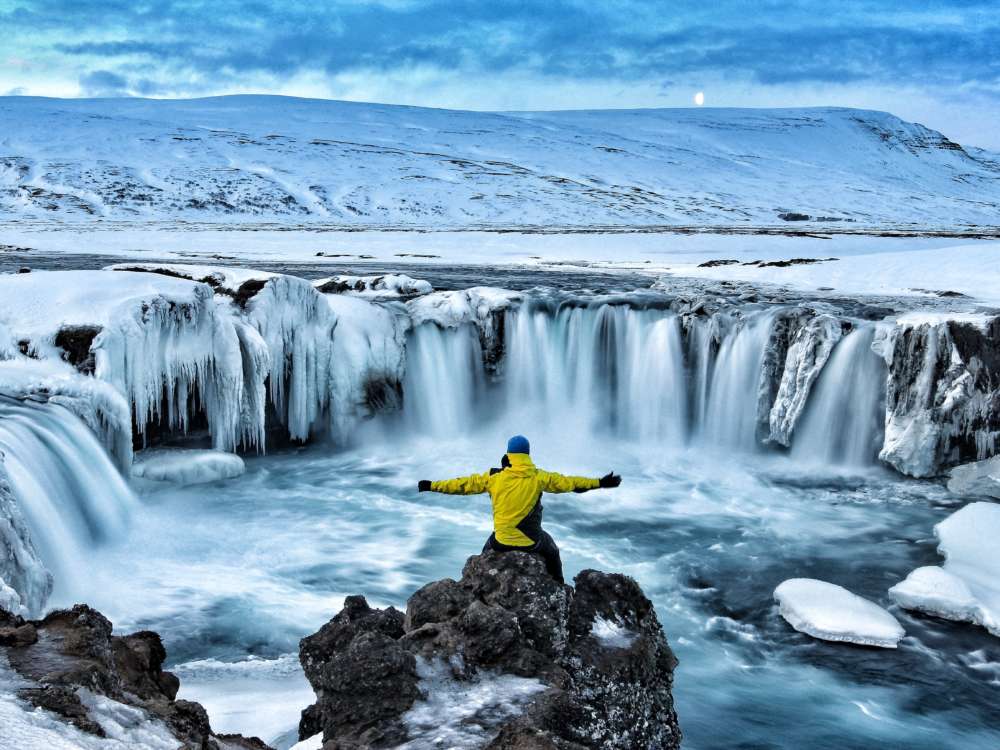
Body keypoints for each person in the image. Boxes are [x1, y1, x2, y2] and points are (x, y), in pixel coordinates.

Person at [417, 435, 621, 584]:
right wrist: (600, 482)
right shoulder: (539, 477)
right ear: (527, 454)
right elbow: (571, 484)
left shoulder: (493, 477)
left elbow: (461, 485)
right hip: (531, 542)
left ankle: (476, 578)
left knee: (487, 547)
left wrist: (431, 485)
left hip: (501, 542)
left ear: (508, 455)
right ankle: (558, 585)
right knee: (552, 549)